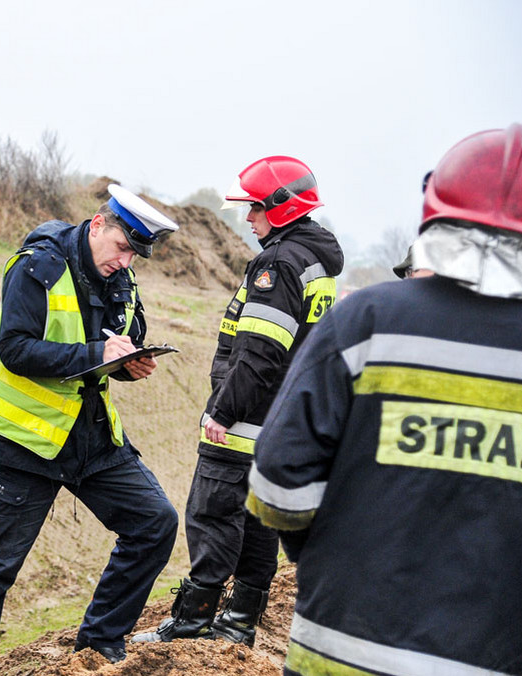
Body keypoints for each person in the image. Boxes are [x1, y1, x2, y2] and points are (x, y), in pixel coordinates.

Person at [246, 124, 522, 675]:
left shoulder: (367, 321)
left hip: (339, 653)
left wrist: (330, 554)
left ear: (434, 211)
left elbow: (277, 488)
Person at [0, 184, 180, 674]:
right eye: (122, 247)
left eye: (136, 253)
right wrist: (97, 356)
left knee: (155, 524)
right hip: (26, 444)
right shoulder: (36, 268)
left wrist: (130, 363)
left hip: (91, 438)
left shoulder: (123, 280)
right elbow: (16, 350)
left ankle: (98, 645)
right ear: (97, 224)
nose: (127, 261)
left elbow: (122, 339)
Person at [134, 156, 343, 647]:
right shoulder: (316, 262)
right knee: (256, 522)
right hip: (279, 422)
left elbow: (260, 352)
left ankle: (192, 620)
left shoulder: (278, 264)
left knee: (212, 513)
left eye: (253, 209)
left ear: (280, 207)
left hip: (245, 419)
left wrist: (223, 411)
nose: (247, 219)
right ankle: (238, 624)